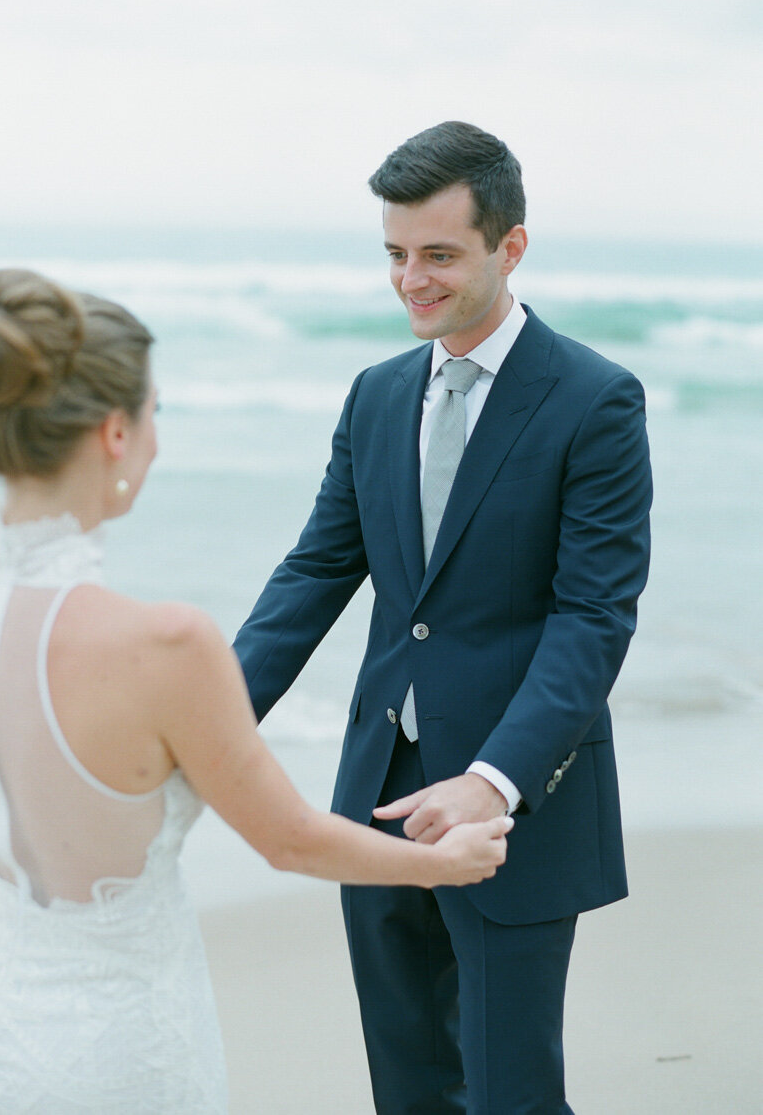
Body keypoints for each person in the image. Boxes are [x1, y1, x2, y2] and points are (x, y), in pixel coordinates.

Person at [0, 269, 512, 1115]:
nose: (158, 435)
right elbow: (291, 839)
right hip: (119, 1045)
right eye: (156, 412)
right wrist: (438, 864)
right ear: (116, 432)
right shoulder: (163, 645)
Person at [233, 121, 653, 1114]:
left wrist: (494, 780)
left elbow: (592, 617)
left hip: (518, 805)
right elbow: (313, 575)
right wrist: (204, 717)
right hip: (374, 793)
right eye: (394, 253)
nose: (410, 279)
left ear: (510, 246)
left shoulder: (595, 400)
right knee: (409, 1087)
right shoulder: (376, 395)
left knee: (512, 1091)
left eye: (437, 254)